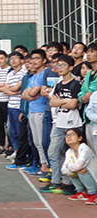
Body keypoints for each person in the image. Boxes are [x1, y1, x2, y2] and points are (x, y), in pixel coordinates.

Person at [40, 55, 80, 195]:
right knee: (53, 153)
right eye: (58, 65)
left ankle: (70, 184)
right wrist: (64, 102)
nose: (59, 68)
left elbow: (73, 104)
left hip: (73, 124)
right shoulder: (58, 84)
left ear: (71, 67)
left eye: (63, 65)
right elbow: (52, 102)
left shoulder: (75, 84)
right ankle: (56, 181)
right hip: (59, 124)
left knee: (70, 155)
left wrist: (60, 101)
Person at [22, 49, 50, 176]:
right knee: (36, 141)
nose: (33, 61)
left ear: (44, 60)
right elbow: (24, 95)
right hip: (32, 111)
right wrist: (31, 95)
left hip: (41, 111)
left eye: (37, 58)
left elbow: (33, 93)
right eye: (32, 58)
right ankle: (42, 164)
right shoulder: (33, 76)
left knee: (42, 141)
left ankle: (46, 166)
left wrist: (31, 94)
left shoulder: (44, 74)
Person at [61, 128, 97, 204]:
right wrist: (72, 169)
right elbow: (63, 169)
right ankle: (82, 193)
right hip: (85, 175)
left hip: (94, 176)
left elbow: (80, 164)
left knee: (82, 171)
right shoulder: (69, 151)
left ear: (80, 138)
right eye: (67, 135)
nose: (68, 137)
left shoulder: (84, 149)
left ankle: (94, 194)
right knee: (71, 172)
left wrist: (71, 167)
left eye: (72, 134)